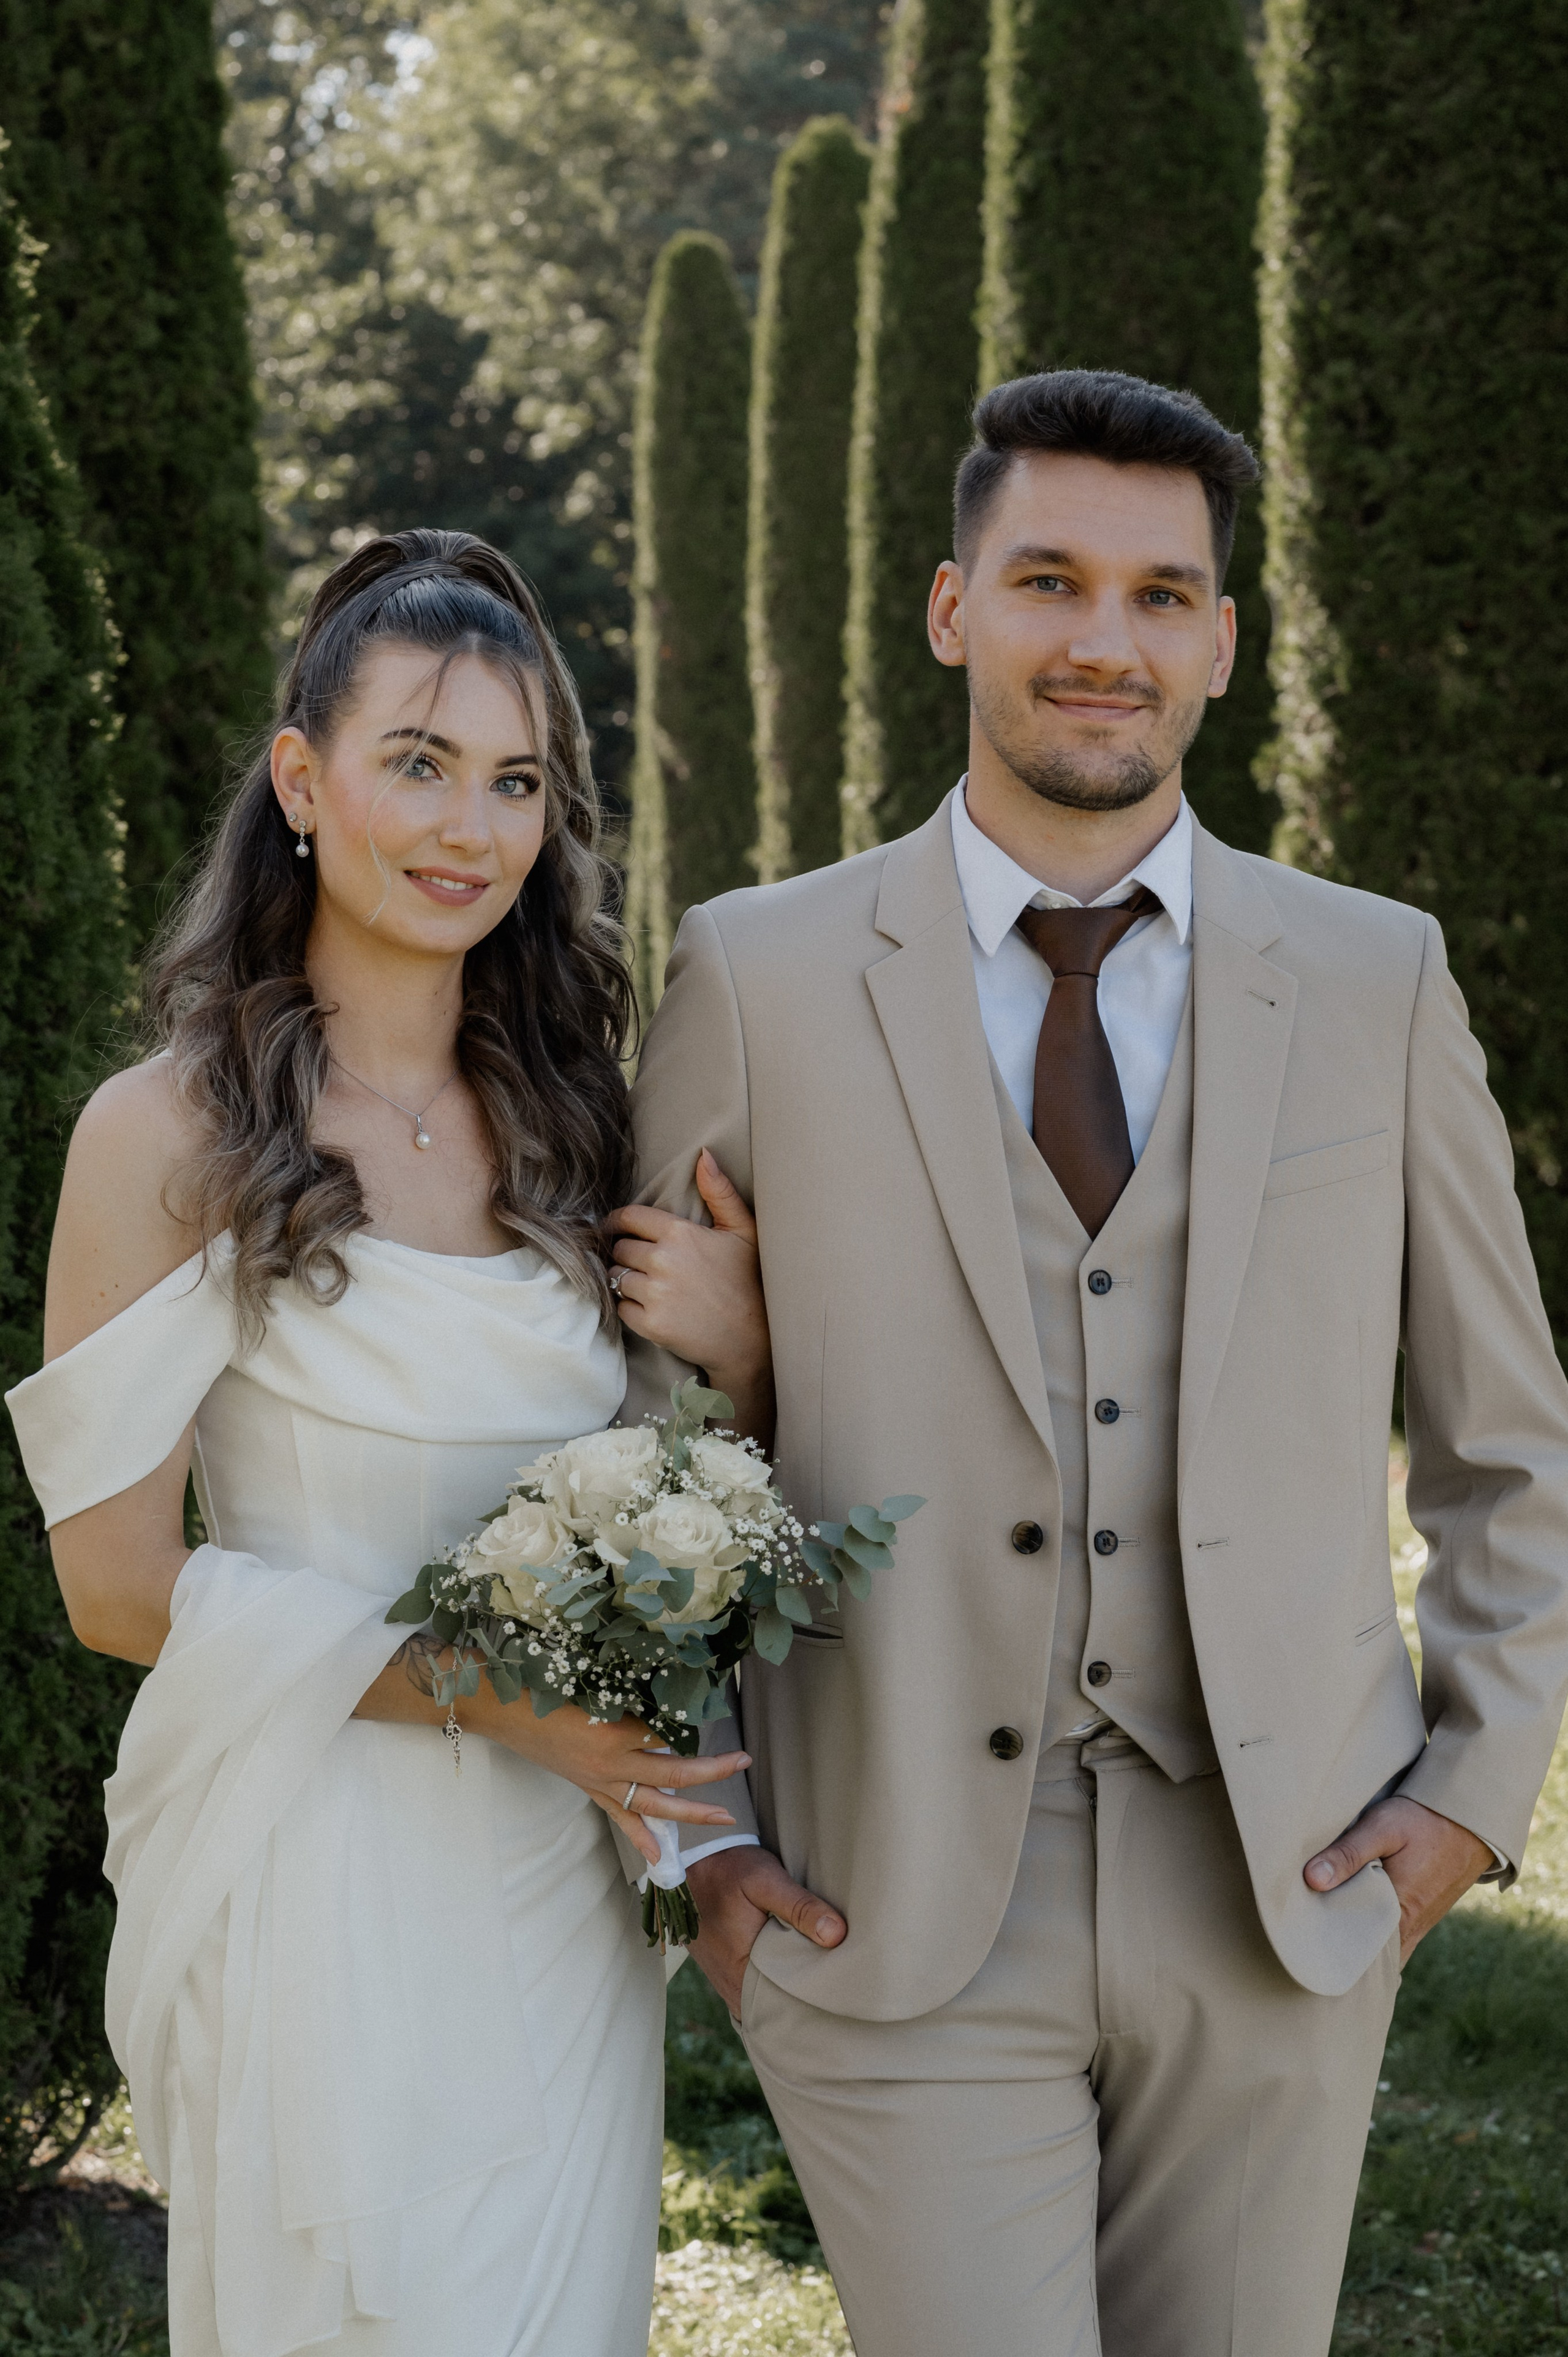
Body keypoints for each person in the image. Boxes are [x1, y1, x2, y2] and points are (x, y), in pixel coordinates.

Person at [616, 370, 1568, 2356]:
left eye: (1161, 595)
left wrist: (1475, 1795)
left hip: (1283, 1882)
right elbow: (647, 1456)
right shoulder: (761, 975)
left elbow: (1507, 1442)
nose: (1103, 642)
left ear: (1221, 642)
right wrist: (697, 1839)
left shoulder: (1378, 977)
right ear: (954, 607)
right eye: (1049, 579)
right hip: (893, 1887)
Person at [5, 531, 771, 2357]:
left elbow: (690, 1475)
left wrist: (744, 1349)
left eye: (515, 781)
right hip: (325, 1856)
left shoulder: (579, 1120)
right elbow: (114, 1588)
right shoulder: (164, 1132)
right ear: (300, 779)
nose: (468, 828)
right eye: (417, 764)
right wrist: (499, 1704)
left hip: (561, 1878)